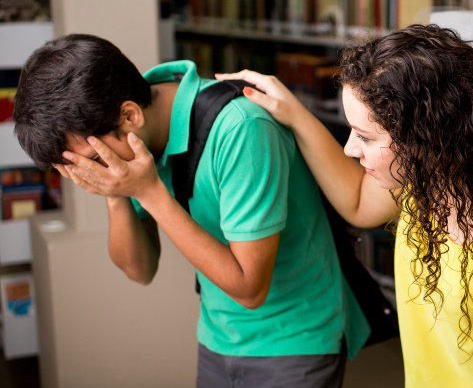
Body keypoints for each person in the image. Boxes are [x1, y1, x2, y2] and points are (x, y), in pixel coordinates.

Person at [218, 25, 473, 387]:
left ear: (427, 138)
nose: (349, 148)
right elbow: (359, 204)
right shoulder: (423, 179)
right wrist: (295, 114)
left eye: (364, 136)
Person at [12, 34, 369, 388]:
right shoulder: (133, 132)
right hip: (217, 337)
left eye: (93, 161)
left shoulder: (241, 129)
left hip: (295, 342)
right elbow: (139, 269)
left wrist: (149, 191)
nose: (96, 170)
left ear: (130, 115)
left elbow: (249, 288)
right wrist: (114, 191)